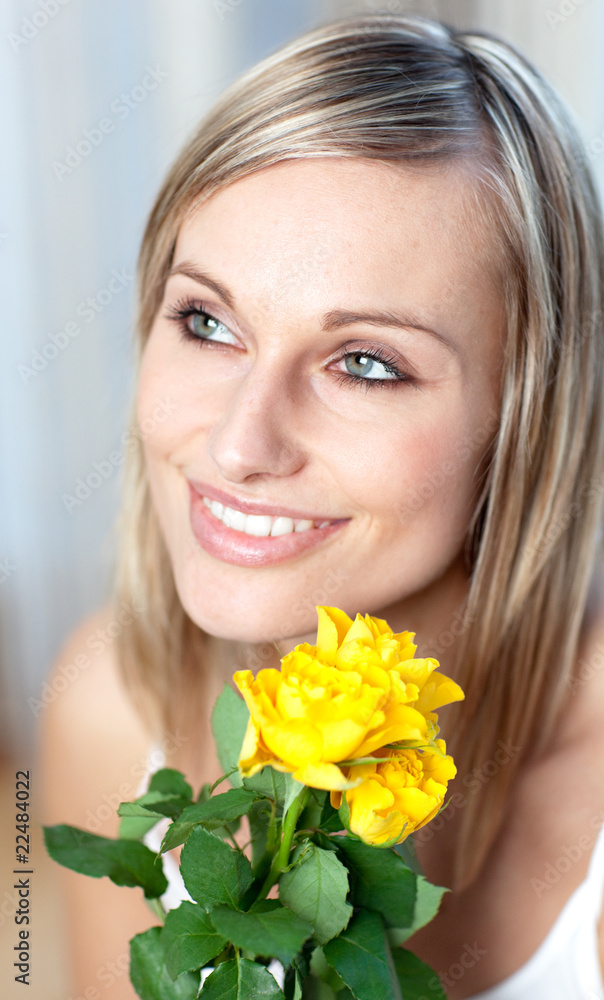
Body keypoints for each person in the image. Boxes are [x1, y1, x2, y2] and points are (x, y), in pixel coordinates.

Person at [40, 11, 604, 1000]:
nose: (236, 444)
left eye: (365, 363)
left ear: (524, 412)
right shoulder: (107, 698)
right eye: (206, 321)